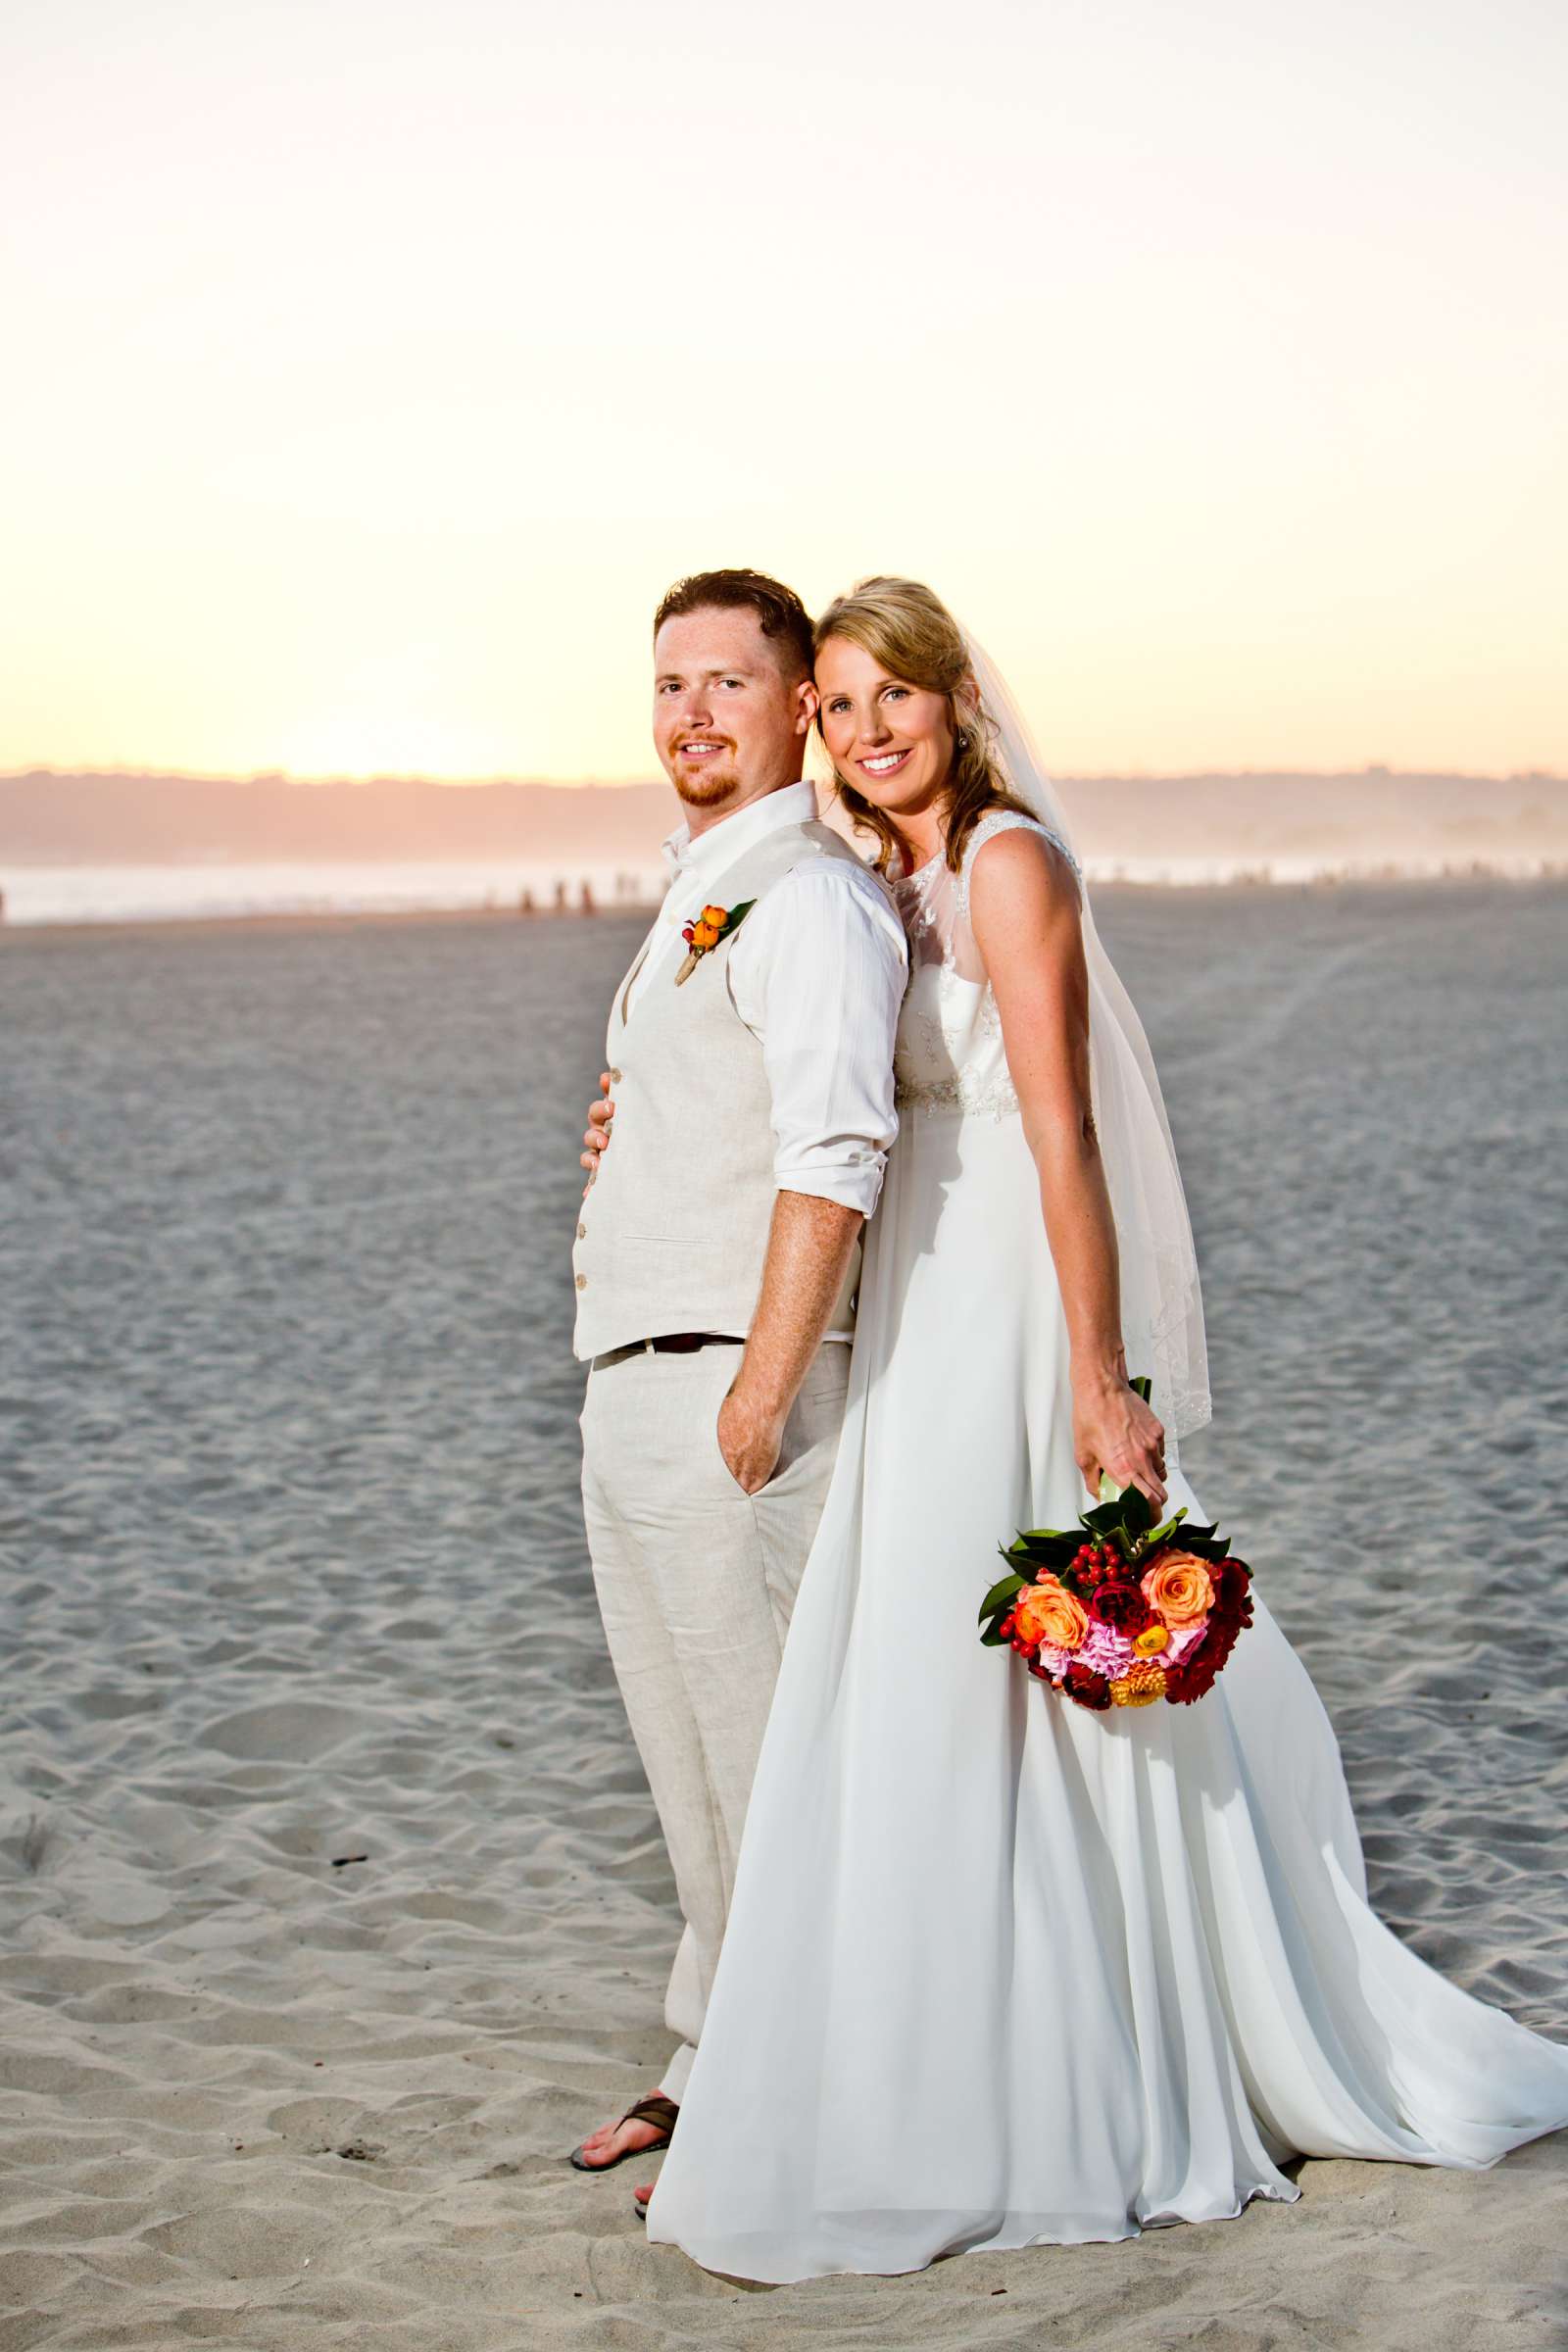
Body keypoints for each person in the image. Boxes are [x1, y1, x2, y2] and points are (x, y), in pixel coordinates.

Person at [626, 577, 1568, 2278]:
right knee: (925, 1677)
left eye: (890, 698)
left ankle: (1100, 2069)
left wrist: (1098, 1369)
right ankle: (939, 2051)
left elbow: (1062, 1138)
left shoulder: (1005, 866)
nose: (865, 732)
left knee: (1053, 1675)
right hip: (913, 1300)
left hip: (1002, 1300)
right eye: (835, 708)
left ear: (955, 699)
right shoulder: (871, 884)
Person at [566, 569, 906, 2181]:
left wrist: (759, 1400)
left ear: (796, 708)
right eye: (669, 684)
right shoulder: (702, 890)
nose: (692, 711)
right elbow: (722, 1108)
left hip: (725, 1390)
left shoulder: (814, 898)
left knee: (766, 1769)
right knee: (689, 1766)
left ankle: (800, 2107)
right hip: (630, 1375)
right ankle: (715, 2059)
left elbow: (836, 1151)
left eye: (727, 682)